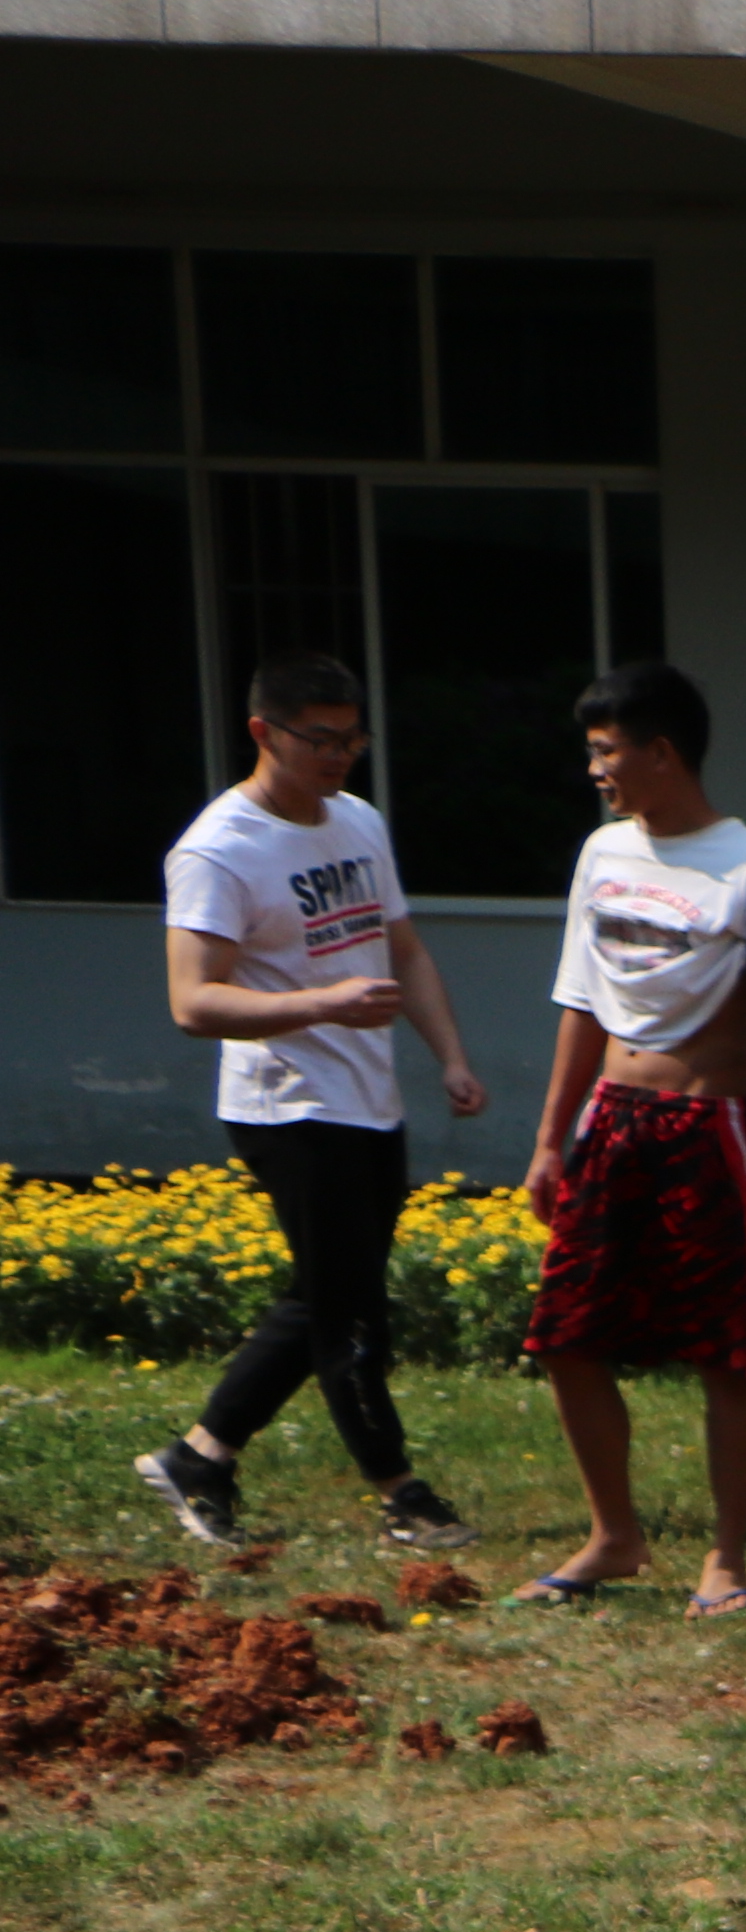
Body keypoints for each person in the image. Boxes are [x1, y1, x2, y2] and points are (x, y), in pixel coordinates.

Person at [138, 654, 488, 1556]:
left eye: (352, 739)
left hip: (368, 1096)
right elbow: (192, 1003)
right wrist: (319, 1005)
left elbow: (401, 949)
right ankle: (401, 1490)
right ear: (263, 732)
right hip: (286, 1105)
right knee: (353, 1312)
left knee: (327, 1293)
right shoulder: (219, 849)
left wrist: (447, 1054)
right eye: (320, 739)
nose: (340, 757)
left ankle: (199, 1455)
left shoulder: (357, 823)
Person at [517, 662, 746, 1615]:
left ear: (662, 752)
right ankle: (613, 1536)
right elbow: (580, 1002)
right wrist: (551, 1140)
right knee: (567, 1334)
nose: (598, 771)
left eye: (609, 753)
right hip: (612, 1121)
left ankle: (725, 1562)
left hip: (708, 1128)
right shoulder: (603, 854)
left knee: (724, 1352)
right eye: (592, 754)